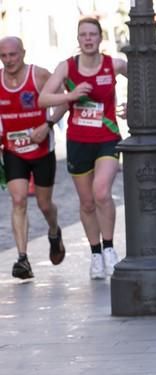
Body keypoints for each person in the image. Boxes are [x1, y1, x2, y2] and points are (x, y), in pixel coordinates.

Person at [39, 17, 127, 280]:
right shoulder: (67, 67)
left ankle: (110, 248)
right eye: (83, 35)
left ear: (101, 38)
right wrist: (70, 95)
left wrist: (131, 107)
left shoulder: (114, 64)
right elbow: (44, 98)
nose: (88, 39)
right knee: (87, 203)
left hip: (107, 137)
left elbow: (143, 79)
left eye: (92, 34)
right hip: (78, 141)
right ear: (78, 40)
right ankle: (96, 253)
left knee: (101, 192)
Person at [0, 36, 67, 279]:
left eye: (13, 55)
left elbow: (65, 100)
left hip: (41, 150)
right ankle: (22, 259)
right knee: (18, 200)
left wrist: (48, 124)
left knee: (44, 204)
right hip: (13, 149)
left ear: (23, 53)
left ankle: (53, 230)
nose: (8, 60)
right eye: (3, 55)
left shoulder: (39, 76)